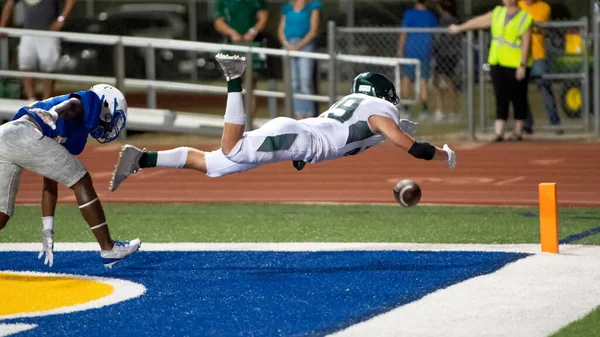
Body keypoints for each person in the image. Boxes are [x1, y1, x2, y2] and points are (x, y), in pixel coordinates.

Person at [108, 54, 456, 194]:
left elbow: (354, 136)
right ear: (385, 94)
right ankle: (234, 79)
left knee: (214, 165)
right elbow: (409, 147)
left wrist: (395, 131)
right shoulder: (381, 109)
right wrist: (443, 155)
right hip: (295, 136)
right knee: (233, 147)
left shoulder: (360, 106)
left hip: (294, 135)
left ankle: (141, 159)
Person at [0, 84, 141, 268]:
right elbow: (73, 104)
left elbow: (50, 182)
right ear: (105, 104)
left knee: (2, 215)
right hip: (24, 132)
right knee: (81, 179)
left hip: (6, 136)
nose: (109, 124)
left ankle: (108, 248)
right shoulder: (90, 100)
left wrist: (47, 230)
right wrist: (55, 113)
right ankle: (108, 248)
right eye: (110, 117)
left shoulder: (76, 133)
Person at [449, 0, 533, 141]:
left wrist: (522, 65)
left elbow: (526, 42)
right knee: (500, 96)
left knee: (518, 97)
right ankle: (499, 132)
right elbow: (480, 21)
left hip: (516, 63)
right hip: (497, 61)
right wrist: (460, 27)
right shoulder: (498, 12)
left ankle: (518, 131)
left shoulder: (525, 17)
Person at [0, 0, 75, 102]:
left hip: (49, 32)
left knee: (49, 66)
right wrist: (3, 26)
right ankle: (31, 99)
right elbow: (9, 3)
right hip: (28, 31)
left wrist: (61, 19)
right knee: (25, 64)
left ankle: (47, 100)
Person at [214, 0, 269, 118]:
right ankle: (234, 120)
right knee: (233, 84)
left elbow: (263, 17)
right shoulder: (223, 2)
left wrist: (252, 32)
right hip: (232, 45)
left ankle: (249, 120)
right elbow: (219, 21)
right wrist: (232, 33)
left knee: (250, 84)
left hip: (252, 45)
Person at [519, 0, 562, 135]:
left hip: (538, 54)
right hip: (520, 55)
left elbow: (538, 28)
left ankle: (555, 124)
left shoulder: (543, 7)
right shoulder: (518, 5)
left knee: (545, 88)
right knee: (520, 91)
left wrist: (523, 25)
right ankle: (527, 124)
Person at [278, 0, 322, 120]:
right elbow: (281, 30)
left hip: (305, 46)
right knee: (294, 83)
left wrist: (299, 46)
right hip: (289, 45)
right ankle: (299, 115)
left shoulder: (313, 6)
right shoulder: (287, 7)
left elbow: (313, 30)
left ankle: (308, 116)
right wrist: (287, 44)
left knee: (305, 81)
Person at [397, 0, 438, 121]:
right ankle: (424, 110)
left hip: (410, 50)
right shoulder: (431, 16)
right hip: (425, 51)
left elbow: (404, 33)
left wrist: (400, 49)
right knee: (423, 80)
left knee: (406, 78)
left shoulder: (409, 14)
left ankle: (406, 109)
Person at [432, 0, 462, 123]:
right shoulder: (455, 20)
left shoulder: (443, 21)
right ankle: (452, 111)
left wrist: (434, 50)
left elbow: (438, 40)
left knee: (440, 84)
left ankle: (441, 110)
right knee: (451, 83)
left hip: (443, 55)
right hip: (453, 55)